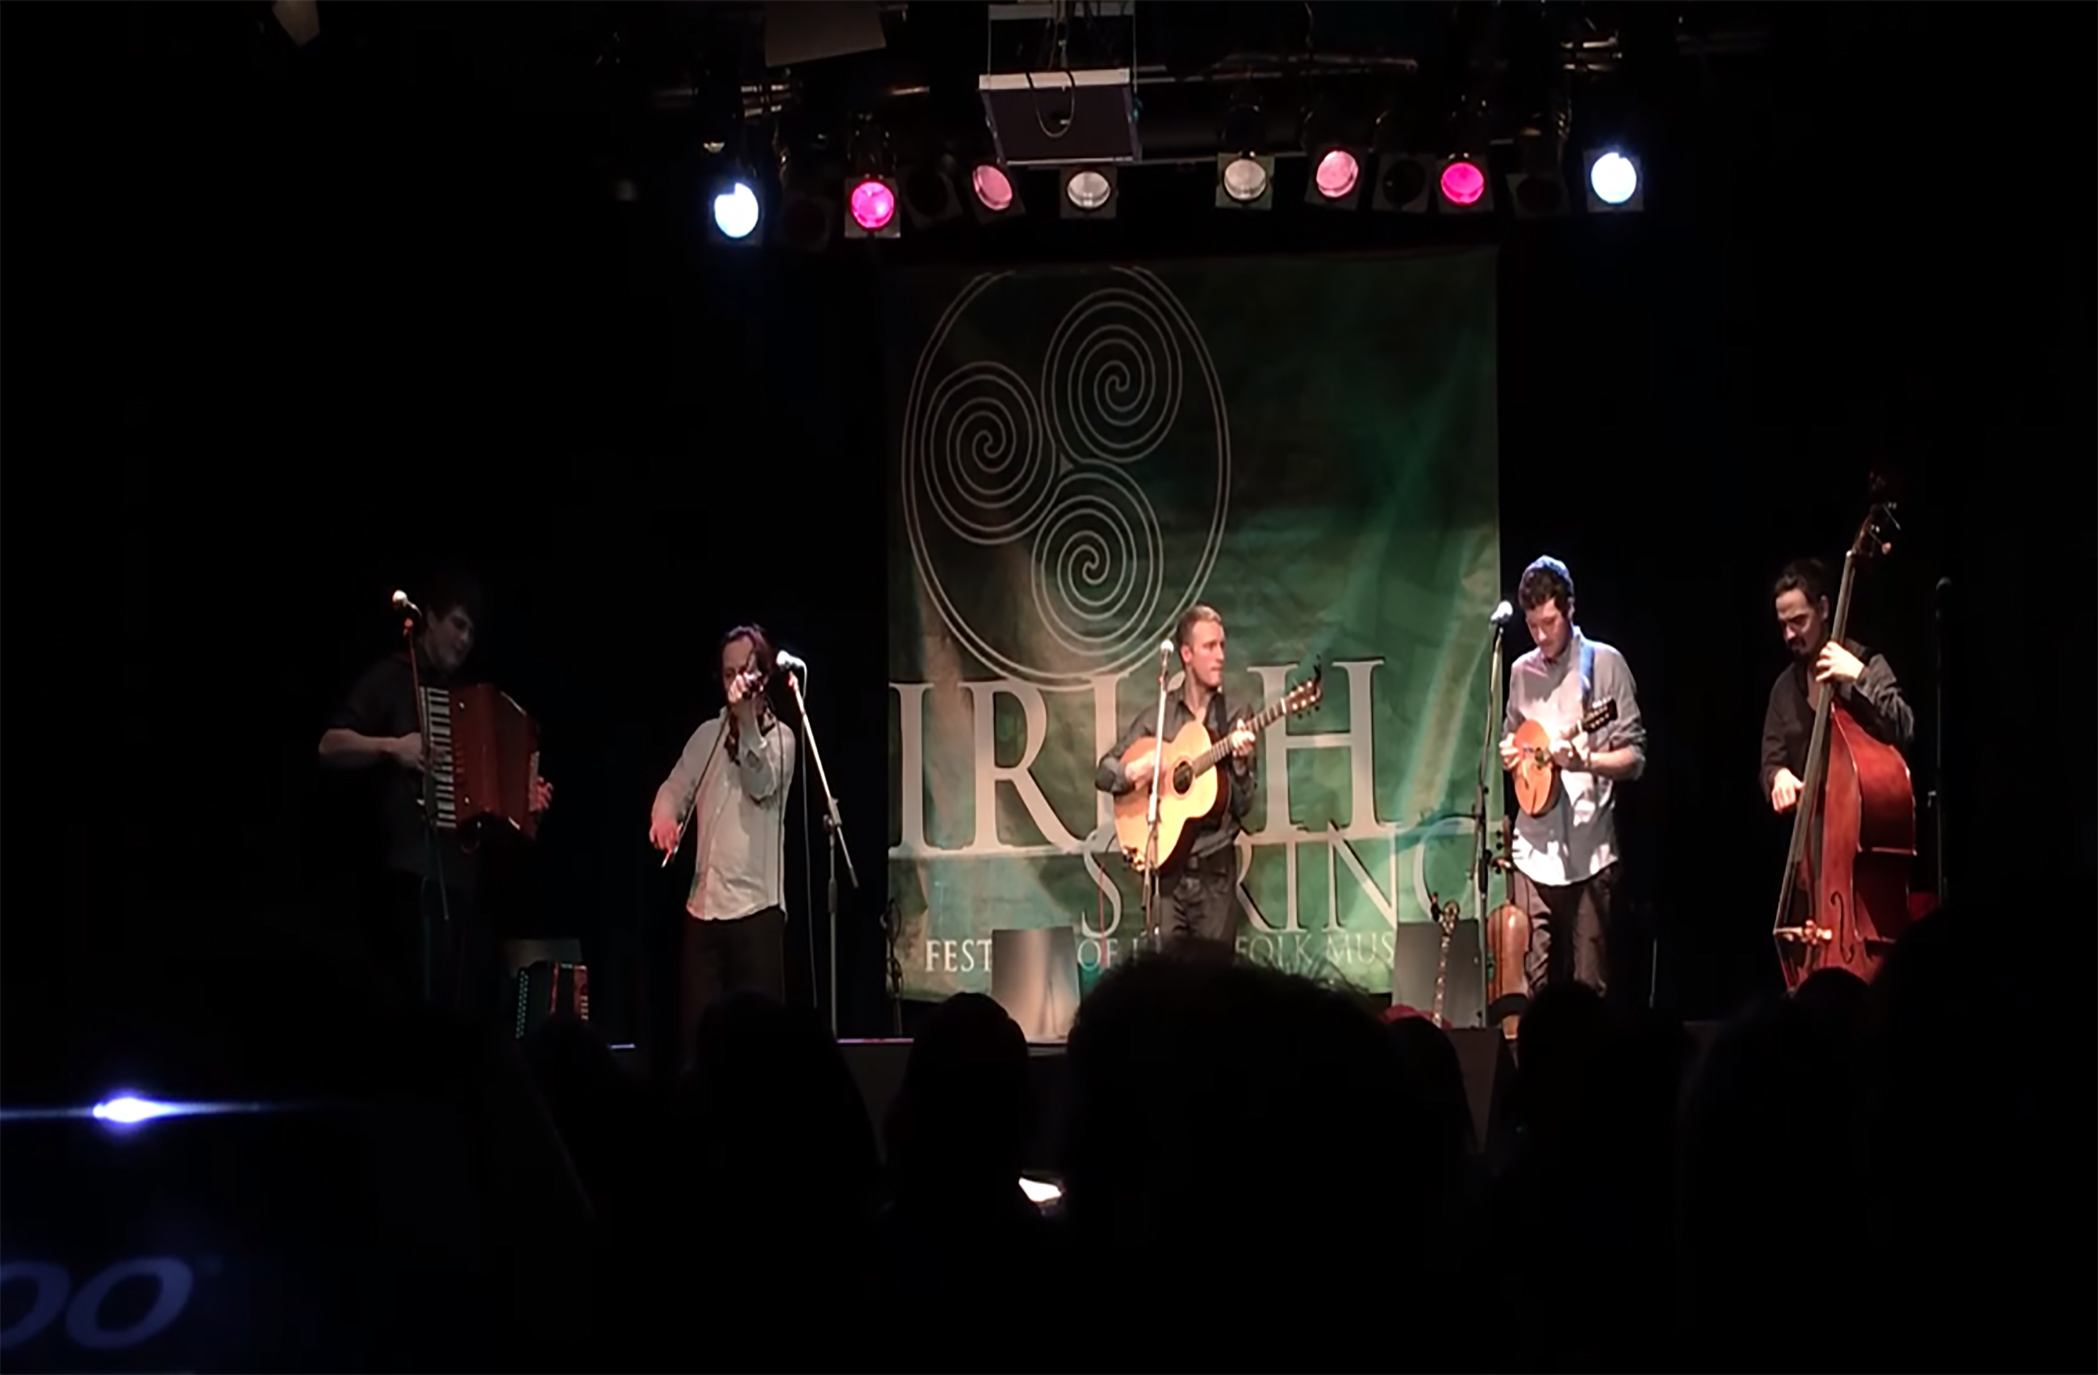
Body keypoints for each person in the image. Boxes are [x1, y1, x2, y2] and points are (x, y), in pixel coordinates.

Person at [318, 573, 553, 1013]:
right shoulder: (391, 677)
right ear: (430, 619)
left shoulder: (468, 701)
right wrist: (393, 747)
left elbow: (486, 816)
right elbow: (329, 746)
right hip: (403, 881)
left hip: (460, 889)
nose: (465, 641)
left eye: (472, 632)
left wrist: (524, 807)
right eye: (458, 625)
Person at [648, 624, 798, 1066]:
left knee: (760, 1050)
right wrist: (664, 818)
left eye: (743, 671)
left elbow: (760, 783)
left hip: (756, 913)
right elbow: (674, 788)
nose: (734, 681)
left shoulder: (781, 740)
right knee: (700, 1048)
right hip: (704, 912)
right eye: (728, 672)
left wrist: (747, 721)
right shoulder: (706, 735)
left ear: (762, 676)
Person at [1497, 557, 1647, 999]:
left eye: (1549, 623)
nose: (1541, 636)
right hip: (1532, 851)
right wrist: (1511, 755)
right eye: (1532, 626)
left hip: (1589, 852)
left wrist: (1588, 762)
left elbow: (1636, 758)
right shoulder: (1520, 672)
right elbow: (1513, 736)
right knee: (1530, 983)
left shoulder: (1605, 665)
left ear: (1570, 609)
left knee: (1588, 988)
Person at [1094, 605, 1259, 947]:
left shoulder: (1235, 717)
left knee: (1214, 977)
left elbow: (1244, 806)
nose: (1220, 656)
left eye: (1222, 646)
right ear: (1186, 655)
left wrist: (1241, 765)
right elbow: (1103, 772)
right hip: (1166, 878)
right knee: (1166, 976)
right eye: (1209, 647)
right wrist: (1133, 771)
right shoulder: (1159, 717)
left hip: (1214, 876)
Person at [1760, 558, 1915, 814]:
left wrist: (1859, 676)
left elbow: (1905, 727)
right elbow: (1771, 760)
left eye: (1798, 621)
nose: (1789, 635)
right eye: (1783, 625)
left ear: (1823, 609)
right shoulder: (1783, 689)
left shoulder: (1865, 663)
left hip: (1864, 823)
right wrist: (1778, 776)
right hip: (1811, 832)